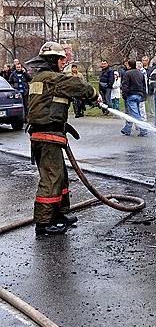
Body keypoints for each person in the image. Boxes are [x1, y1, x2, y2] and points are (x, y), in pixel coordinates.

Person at [26, 41, 99, 235]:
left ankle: (60, 214)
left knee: (60, 177)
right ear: (52, 60)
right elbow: (76, 85)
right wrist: (94, 95)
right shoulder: (51, 78)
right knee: (52, 178)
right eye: (60, 59)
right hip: (47, 135)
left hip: (49, 133)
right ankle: (44, 223)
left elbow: (51, 105)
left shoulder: (40, 78)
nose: (63, 63)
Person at [121, 60, 147, 137]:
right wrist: (144, 95)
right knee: (132, 112)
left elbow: (125, 86)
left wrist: (124, 95)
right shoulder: (140, 73)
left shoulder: (127, 73)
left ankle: (143, 130)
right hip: (139, 95)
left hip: (131, 95)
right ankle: (127, 129)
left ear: (129, 66)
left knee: (135, 114)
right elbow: (144, 85)